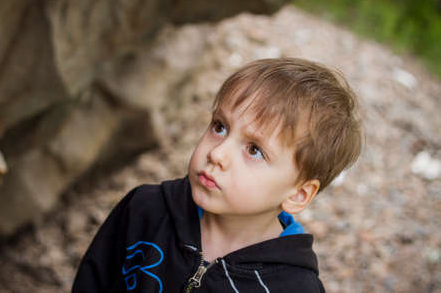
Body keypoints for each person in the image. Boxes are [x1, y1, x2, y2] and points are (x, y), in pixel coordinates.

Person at [72, 58, 363, 293]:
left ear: (298, 194)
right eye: (220, 127)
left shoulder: (294, 287)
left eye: (254, 150)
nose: (218, 154)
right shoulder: (146, 208)